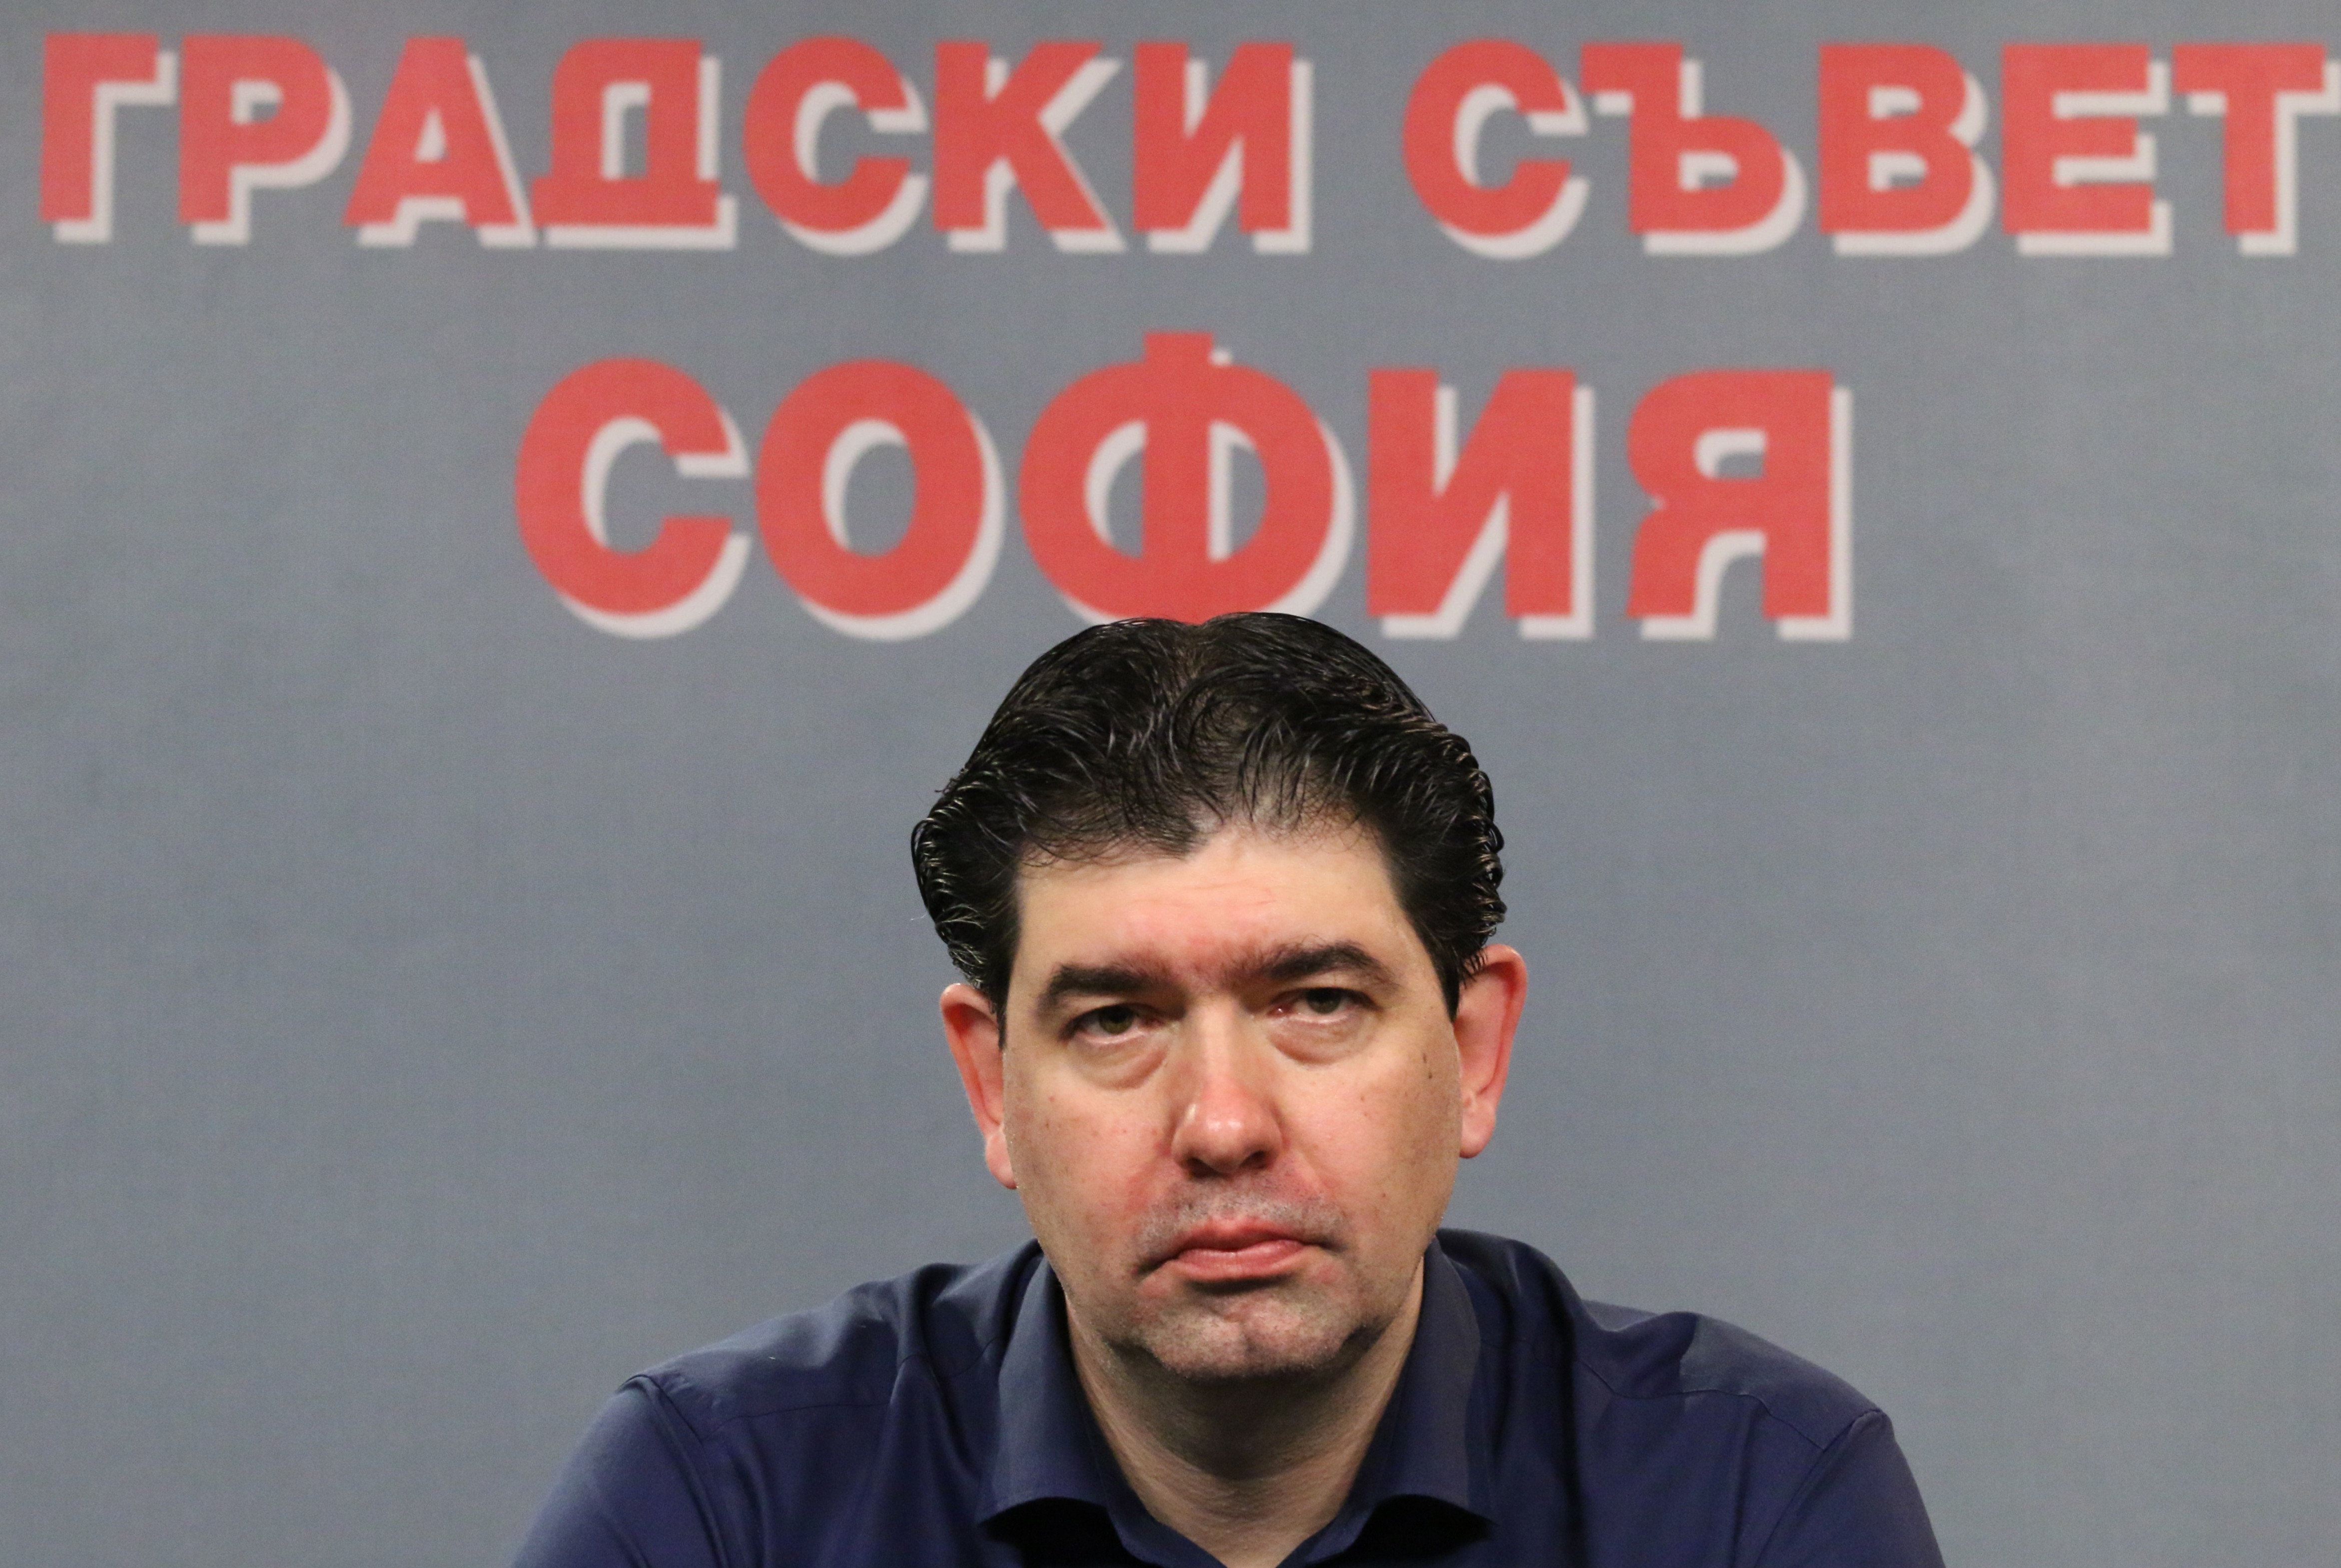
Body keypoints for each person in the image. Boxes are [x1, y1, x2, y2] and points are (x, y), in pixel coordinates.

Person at [513, 613, 1945, 1568]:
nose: (1222, 1123)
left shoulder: (1754, 1498)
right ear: (992, 1082)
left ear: (1475, 1051)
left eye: (1317, 1003)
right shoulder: (723, 1502)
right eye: (1118, 1019)